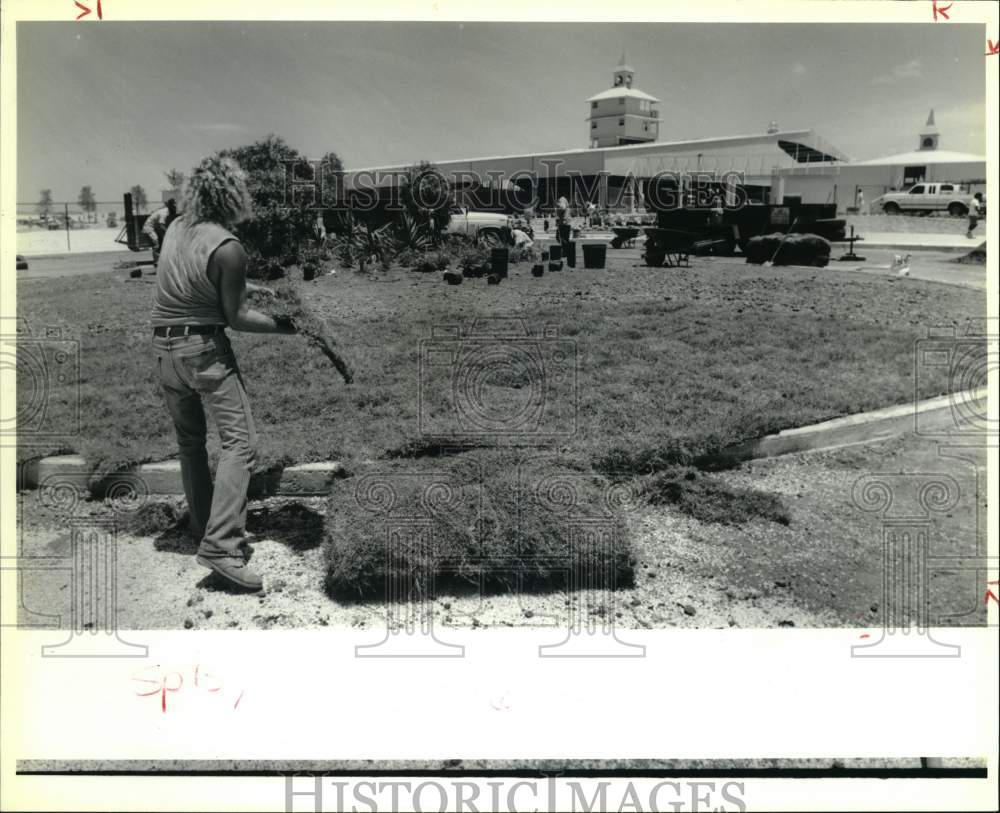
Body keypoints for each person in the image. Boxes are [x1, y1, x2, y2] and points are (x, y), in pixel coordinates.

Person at [151, 156, 296, 592]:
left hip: (161, 349)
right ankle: (221, 545)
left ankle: (202, 524)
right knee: (241, 444)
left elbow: (196, 278)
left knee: (191, 443)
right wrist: (288, 326)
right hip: (203, 351)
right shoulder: (229, 246)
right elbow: (236, 317)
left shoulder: (176, 228)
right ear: (233, 195)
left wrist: (249, 284)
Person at [142, 198, 178, 267]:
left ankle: (162, 261)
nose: (175, 208)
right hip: (149, 228)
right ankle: (157, 263)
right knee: (156, 243)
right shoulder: (164, 213)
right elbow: (161, 225)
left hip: (154, 227)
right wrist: (168, 234)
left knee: (161, 243)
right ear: (170, 206)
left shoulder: (168, 212)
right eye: (174, 206)